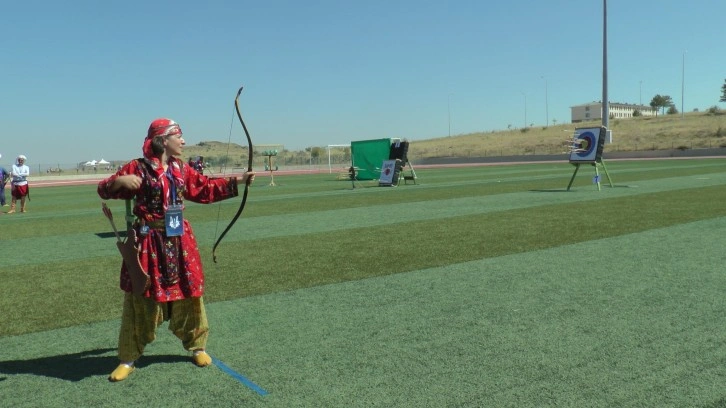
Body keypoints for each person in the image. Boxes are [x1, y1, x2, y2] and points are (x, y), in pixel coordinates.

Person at [97, 118, 255, 382]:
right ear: (162, 140)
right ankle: (128, 357)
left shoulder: (181, 168)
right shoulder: (137, 167)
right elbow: (104, 189)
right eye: (178, 136)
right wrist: (119, 182)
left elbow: (204, 189)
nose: (183, 141)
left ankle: (198, 346)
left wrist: (238, 181)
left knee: (191, 293)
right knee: (141, 295)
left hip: (180, 240)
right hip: (148, 241)